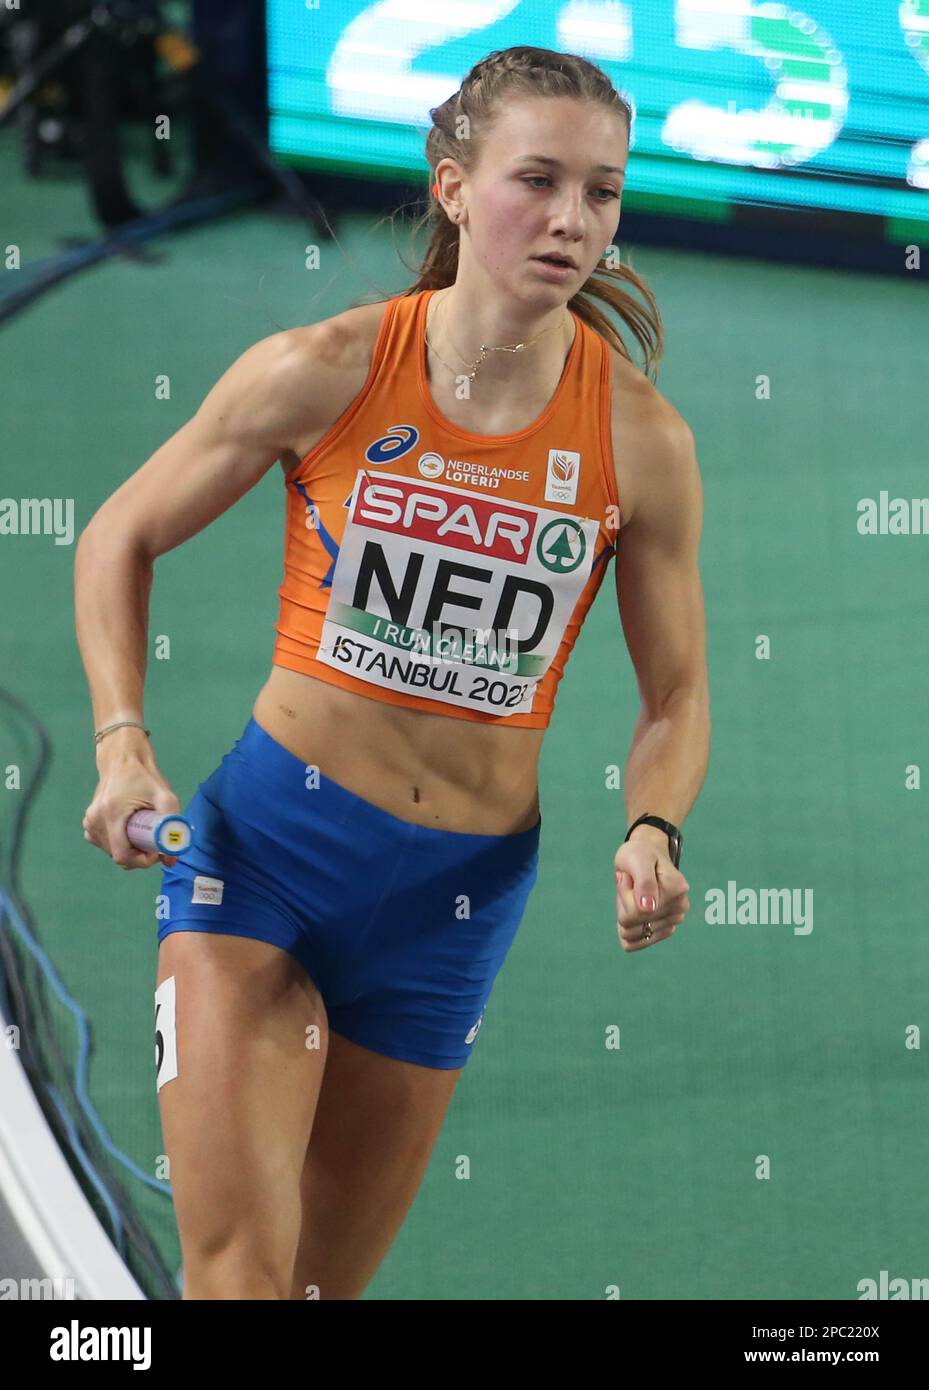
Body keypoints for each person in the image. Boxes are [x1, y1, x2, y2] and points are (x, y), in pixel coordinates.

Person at [75, 45, 709, 1300]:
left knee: (319, 1290)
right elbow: (117, 535)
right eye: (538, 180)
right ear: (454, 186)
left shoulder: (640, 439)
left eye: (602, 191)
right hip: (265, 857)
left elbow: (676, 694)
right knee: (241, 1281)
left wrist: (652, 825)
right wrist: (119, 737)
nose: (572, 220)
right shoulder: (325, 368)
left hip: (455, 902)